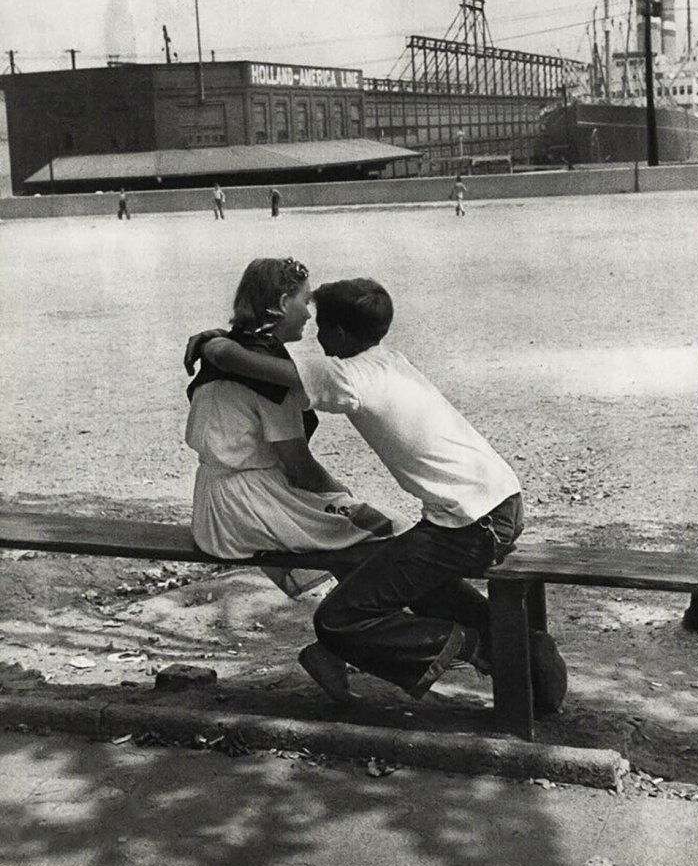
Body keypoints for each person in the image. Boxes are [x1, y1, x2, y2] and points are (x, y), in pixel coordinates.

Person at [185, 278, 567, 711]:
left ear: (342, 335)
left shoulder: (347, 377)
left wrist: (213, 344)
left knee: (336, 620)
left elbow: (249, 364)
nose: (315, 334)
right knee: (409, 579)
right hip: (498, 504)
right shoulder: (389, 360)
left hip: (468, 524)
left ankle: (480, 647)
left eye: (322, 327)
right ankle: (516, 645)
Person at [185, 258, 397, 697]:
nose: (310, 311)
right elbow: (299, 468)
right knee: (382, 528)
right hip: (244, 505)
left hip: (212, 502)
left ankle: (335, 651)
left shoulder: (233, 350)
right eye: (304, 299)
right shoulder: (264, 369)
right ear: (282, 303)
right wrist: (345, 497)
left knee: (348, 528)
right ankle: (340, 645)